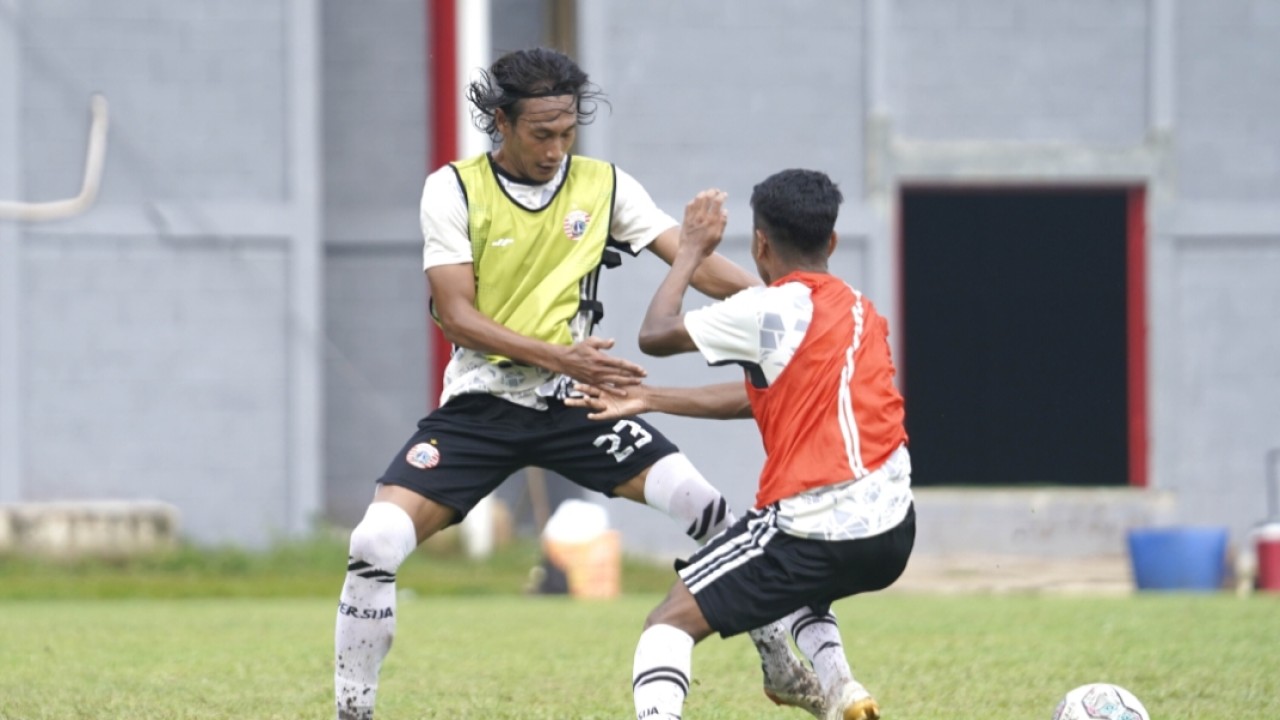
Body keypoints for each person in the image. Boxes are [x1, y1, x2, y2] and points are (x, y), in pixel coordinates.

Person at [333, 48, 827, 720]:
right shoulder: (452, 190)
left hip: (574, 403)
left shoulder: (605, 186)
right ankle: (353, 713)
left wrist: (800, 305)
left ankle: (781, 666)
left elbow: (698, 268)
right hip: (483, 403)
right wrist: (563, 358)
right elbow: (457, 315)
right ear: (502, 122)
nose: (556, 149)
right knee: (373, 543)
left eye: (567, 132)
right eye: (542, 134)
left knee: (709, 511)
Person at [566, 170, 916, 720]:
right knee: (805, 580)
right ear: (831, 241)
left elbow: (655, 333)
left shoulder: (765, 310)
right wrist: (650, 399)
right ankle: (840, 688)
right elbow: (757, 398)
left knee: (667, 623)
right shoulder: (859, 310)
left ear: (759, 244)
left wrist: (689, 250)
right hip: (894, 533)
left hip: (815, 526)